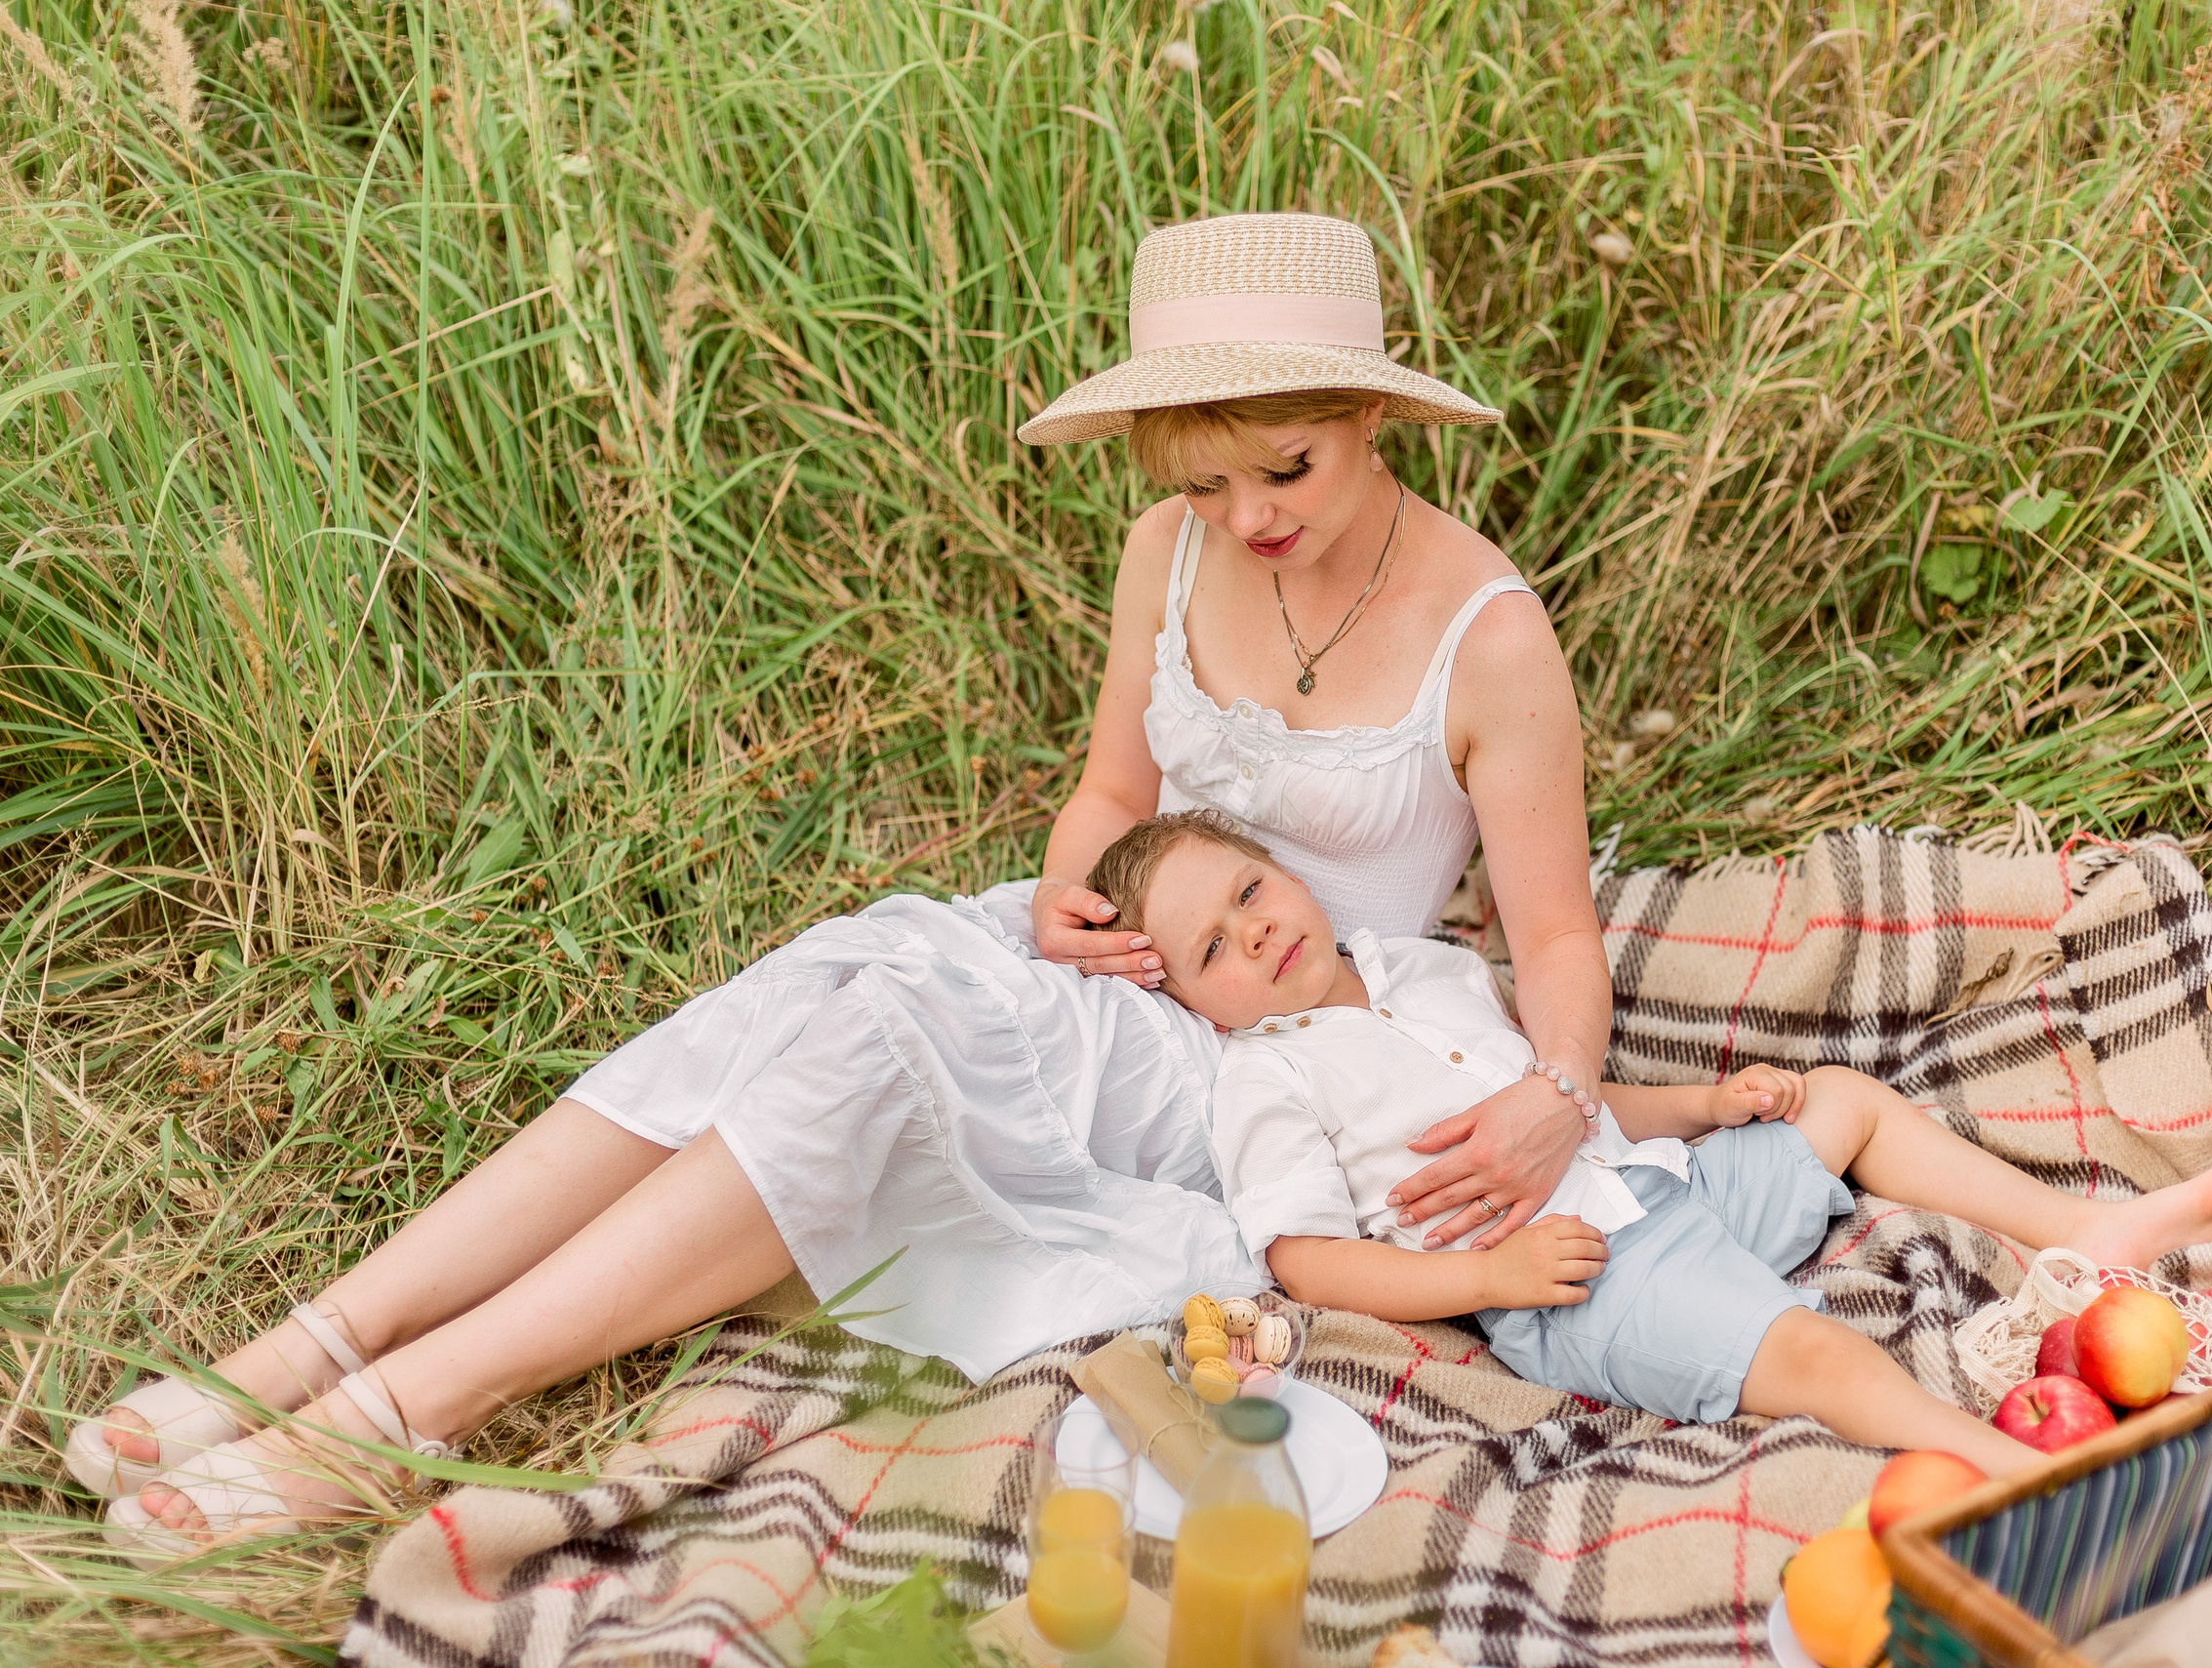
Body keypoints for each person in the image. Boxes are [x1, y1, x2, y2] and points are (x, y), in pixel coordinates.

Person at [72, 213, 1616, 1561]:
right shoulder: (1173, 547)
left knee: (891, 1043)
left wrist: (1558, 1090)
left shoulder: (1487, 635)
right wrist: (1066, 898)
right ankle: (315, 1340)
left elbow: (1551, 932)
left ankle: (407, 1404)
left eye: (1285, 468)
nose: (1249, 518)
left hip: (1272, 1042)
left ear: (1366, 408)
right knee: (835, 975)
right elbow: (1109, 796)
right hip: (1124, 953)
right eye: (1206, 482)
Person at [1085, 810, 2212, 1473]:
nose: (1254, 932)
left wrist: (1701, 1103)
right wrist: (1487, 1277)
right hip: (1576, 1274)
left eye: (1249, 891)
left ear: (1288, 871)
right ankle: (2012, 1465)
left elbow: (1568, 1106)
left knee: (1841, 1098)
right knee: (1813, 1350)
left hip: (1664, 1178)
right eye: (1212, 948)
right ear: (1188, 1001)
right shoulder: (1265, 1077)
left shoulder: (1424, 967)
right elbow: (1304, 1259)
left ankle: (2086, 1229)